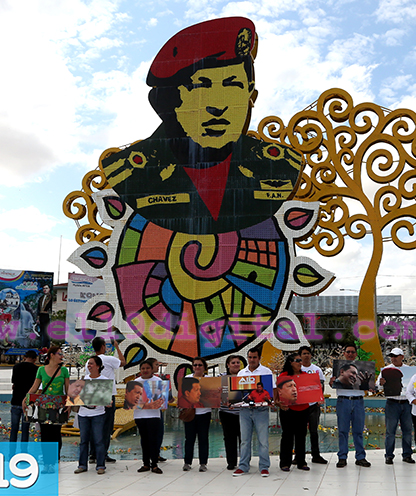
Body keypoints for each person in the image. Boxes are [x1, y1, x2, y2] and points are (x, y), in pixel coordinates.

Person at [102, 17, 302, 236]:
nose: (218, 105)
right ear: (169, 99)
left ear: (250, 93)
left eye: (232, 84)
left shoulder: (280, 167)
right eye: (200, 85)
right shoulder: (131, 175)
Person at [23, 345, 70, 470]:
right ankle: (47, 463)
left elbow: (67, 389)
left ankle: (54, 460)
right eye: (59, 354)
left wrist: (70, 404)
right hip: (44, 405)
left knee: (56, 434)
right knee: (45, 434)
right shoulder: (41, 370)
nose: (62, 356)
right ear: (51, 355)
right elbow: (35, 387)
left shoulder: (64, 371)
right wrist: (25, 399)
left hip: (58, 406)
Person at [329, 343, 371, 468]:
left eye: (353, 352)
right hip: (343, 401)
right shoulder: (338, 370)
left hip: (358, 401)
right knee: (343, 430)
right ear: (344, 353)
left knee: (358, 431)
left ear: (356, 354)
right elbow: (332, 384)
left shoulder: (360, 373)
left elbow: (369, 388)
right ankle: (342, 457)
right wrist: (331, 383)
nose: (350, 354)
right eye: (348, 352)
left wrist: (368, 385)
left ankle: (360, 457)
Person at [233, 347, 272, 477]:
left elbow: (272, 390)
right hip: (245, 410)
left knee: (263, 440)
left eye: (254, 357)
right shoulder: (241, 373)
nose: (252, 360)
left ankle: (264, 467)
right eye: (250, 357)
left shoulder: (266, 372)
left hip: (261, 410)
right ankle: (243, 466)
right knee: (244, 440)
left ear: (259, 358)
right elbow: (238, 393)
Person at [89, 336, 125, 464]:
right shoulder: (109, 359)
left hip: (95, 393)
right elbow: (123, 362)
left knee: (95, 424)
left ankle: (93, 454)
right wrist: (117, 347)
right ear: (103, 346)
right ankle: (102, 454)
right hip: (107, 393)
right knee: (106, 426)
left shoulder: (90, 361)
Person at [378, 347, 416, 464]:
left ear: (402, 357)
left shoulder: (409, 370)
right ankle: (389, 455)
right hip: (392, 403)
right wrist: (381, 383)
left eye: (395, 356)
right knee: (390, 431)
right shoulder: (386, 370)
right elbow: (377, 386)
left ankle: (407, 454)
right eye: (392, 356)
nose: (393, 358)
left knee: (407, 430)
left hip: (406, 403)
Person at [276, 353, 310, 472]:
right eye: (297, 360)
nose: (300, 362)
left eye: (301, 360)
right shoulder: (283, 376)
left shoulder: (305, 376)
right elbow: (277, 392)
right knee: (287, 436)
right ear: (290, 362)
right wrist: (279, 403)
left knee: (301, 436)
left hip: (303, 409)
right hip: (288, 409)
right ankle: (285, 462)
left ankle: (301, 461)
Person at [75, 356, 108, 475]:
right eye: (88, 363)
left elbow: (107, 398)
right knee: (83, 441)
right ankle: (82, 465)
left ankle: (101, 465)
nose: (89, 366)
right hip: (83, 414)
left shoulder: (104, 380)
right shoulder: (83, 379)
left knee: (99, 440)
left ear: (98, 366)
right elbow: (76, 396)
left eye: (91, 363)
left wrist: (105, 401)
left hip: (98, 414)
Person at [133, 359, 165, 474]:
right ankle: (145, 463)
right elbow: (133, 401)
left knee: (153, 439)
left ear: (152, 369)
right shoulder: (135, 382)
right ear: (140, 370)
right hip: (140, 416)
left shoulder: (158, 381)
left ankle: (154, 464)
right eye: (143, 368)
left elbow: (162, 399)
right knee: (144, 439)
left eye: (147, 368)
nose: (145, 370)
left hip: (154, 415)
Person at [298, 346, 328, 465]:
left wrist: (320, 398)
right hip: (300, 405)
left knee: (314, 431)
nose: (306, 355)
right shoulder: (297, 369)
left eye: (308, 353)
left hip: (313, 405)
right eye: (304, 353)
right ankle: (298, 456)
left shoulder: (316, 370)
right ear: (300, 356)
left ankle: (316, 455)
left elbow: (321, 385)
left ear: (311, 355)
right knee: (300, 432)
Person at [183, 357, 212, 472]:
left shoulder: (209, 380)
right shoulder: (187, 378)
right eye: (195, 365)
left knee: (203, 438)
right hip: (190, 412)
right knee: (189, 439)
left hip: (204, 413)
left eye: (200, 365)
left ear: (204, 367)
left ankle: (203, 463)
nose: (197, 367)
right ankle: (187, 462)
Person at [10, 349, 39, 443]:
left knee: (14, 427)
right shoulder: (36, 369)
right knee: (25, 428)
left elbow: (13, 381)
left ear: (25, 357)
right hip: (28, 402)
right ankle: (24, 449)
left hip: (16, 400)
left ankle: (12, 448)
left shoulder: (16, 367)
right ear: (35, 359)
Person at [220, 355, 243, 469]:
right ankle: (231, 462)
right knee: (229, 438)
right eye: (233, 362)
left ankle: (244, 461)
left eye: (238, 362)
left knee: (243, 438)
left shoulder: (244, 376)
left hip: (242, 412)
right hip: (226, 413)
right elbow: (215, 393)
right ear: (228, 365)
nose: (236, 364)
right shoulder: (221, 377)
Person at [37, 285, 53, 349]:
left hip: (47, 316)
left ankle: (46, 346)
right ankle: (41, 346)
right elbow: (38, 309)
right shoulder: (41, 298)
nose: (45, 289)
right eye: (44, 288)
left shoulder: (51, 297)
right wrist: (38, 318)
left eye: (46, 288)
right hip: (41, 316)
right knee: (41, 332)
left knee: (47, 332)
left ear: (49, 289)